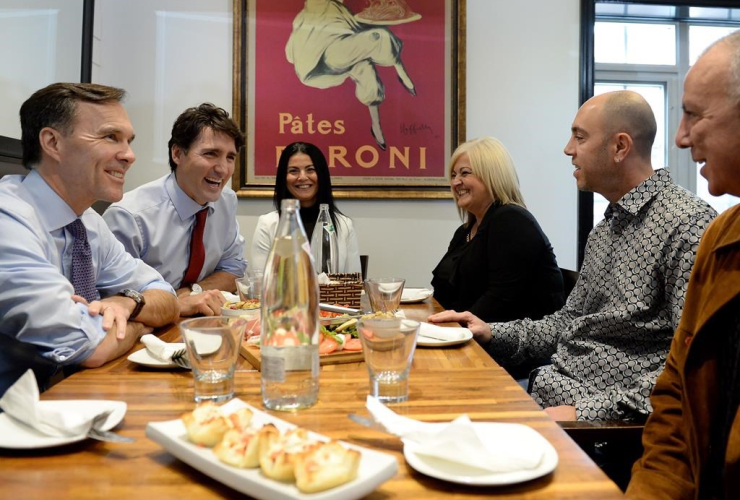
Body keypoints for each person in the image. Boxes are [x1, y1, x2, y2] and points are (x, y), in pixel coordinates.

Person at [429, 90, 717, 422]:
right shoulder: (607, 229)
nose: (568, 149)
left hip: (599, 428)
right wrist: (490, 331)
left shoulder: (687, 226)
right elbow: (568, 323)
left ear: (620, 147)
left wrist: (583, 413)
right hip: (550, 389)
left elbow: (692, 368)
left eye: (579, 137)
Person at [627, 31, 740, 500]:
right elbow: (675, 395)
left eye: (694, 113)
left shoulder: (690, 223)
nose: (680, 136)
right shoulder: (722, 236)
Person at [0, 83, 179, 378]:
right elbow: (89, 346)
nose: (129, 155)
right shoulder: (8, 219)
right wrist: (140, 324)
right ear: (53, 143)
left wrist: (128, 303)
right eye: (111, 137)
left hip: (74, 402)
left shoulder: (88, 222)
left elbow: (168, 299)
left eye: (128, 141)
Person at [104, 103, 247, 317]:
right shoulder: (130, 216)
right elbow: (116, 301)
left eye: (230, 157)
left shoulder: (226, 200)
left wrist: (193, 292)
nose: (223, 169)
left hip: (202, 322)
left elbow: (233, 268)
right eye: (210, 154)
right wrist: (175, 304)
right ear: (178, 154)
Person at [431, 136, 564, 323]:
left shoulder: (512, 220)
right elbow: (444, 290)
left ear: (492, 176)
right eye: (453, 175)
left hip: (513, 344)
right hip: (472, 334)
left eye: (465, 173)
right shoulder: (464, 232)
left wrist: (454, 329)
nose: (455, 183)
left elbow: (501, 300)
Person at [285, 0, 417, 150]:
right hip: (329, 56)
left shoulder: (339, 8)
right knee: (379, 36)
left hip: (341, 50)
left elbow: (350, 26)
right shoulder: (318, 6)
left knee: (366, 69)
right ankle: (401, 72)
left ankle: (376, 127)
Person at [251, 141, 360, 274]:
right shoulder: (267, 224)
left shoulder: (344, 226)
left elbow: (354, 286)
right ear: (283, 178)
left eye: (310, 170)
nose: (302, 177)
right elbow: (259, 283)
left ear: (322, 175)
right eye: (293, 171)